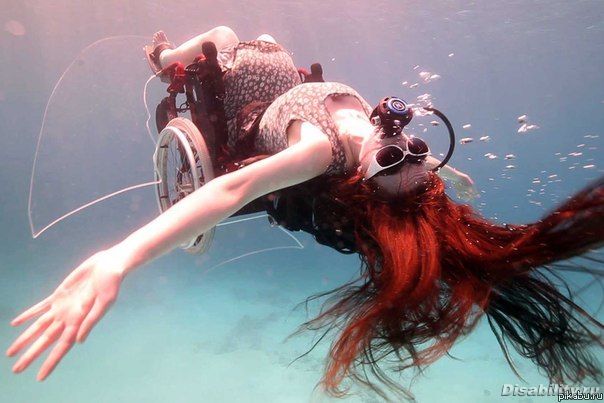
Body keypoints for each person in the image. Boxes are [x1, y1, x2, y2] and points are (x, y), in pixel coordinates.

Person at [6, 26, 603, 400]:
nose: (397, 142)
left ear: (367, 177)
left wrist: (118, 259)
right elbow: (416, 174)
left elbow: (228, 193)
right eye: (413, 147)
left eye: (390, 158)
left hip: (247, 101)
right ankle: (180, 53)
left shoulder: (321, 152)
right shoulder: (398, 153)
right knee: (262, 38)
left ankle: (163, 56)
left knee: (225, 32)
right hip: (282, 76)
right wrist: (451, 178)